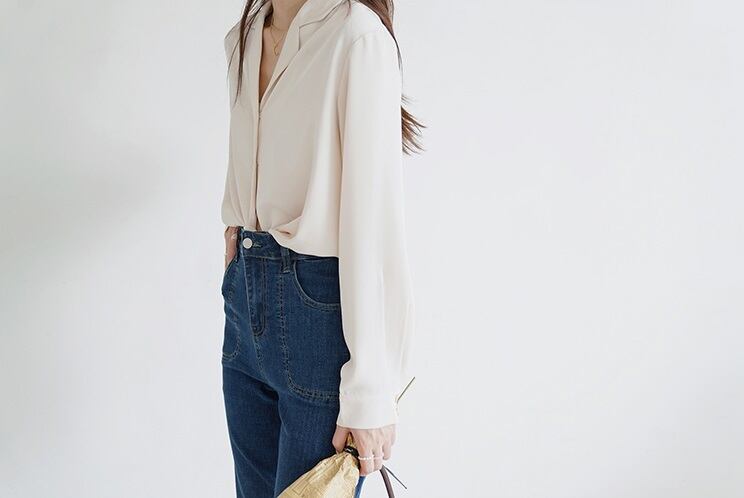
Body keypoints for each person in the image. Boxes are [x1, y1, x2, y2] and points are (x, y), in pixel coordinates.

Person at [219, 0, 423, 496]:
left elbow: (373, 222)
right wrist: (234, 231)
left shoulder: (357, 36)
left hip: (318, 312)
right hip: (246, 299)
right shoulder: (245, 37)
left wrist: (371, 392)